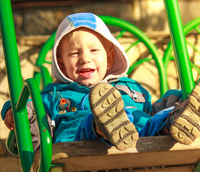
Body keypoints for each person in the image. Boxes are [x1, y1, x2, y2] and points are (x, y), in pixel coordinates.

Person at [1, 12, 200, 152]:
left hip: (139, 145)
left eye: (94, 51)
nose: (85, 58)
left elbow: (148, 113)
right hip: (82, 149)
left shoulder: (130, 89)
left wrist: (166, 109)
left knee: (159, 113)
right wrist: (13, 110)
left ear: (110, 58)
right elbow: (26, 111)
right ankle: (102, 125)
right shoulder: (54, 95)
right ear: (60, 63)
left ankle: (176, 119)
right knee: (90, 122)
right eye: (74, 53)